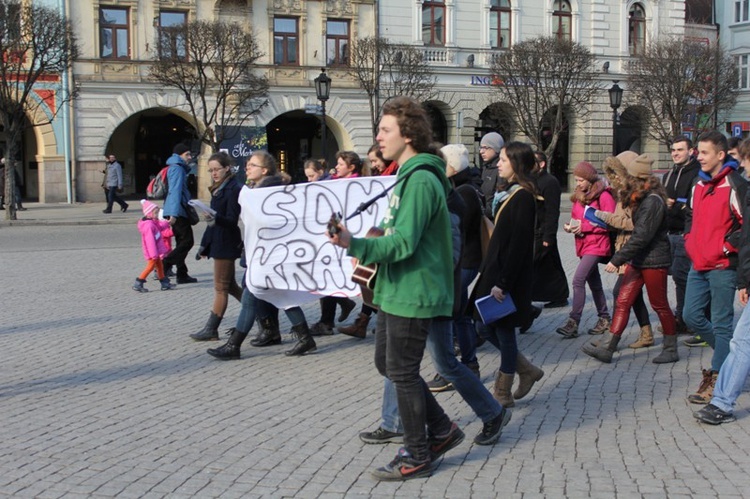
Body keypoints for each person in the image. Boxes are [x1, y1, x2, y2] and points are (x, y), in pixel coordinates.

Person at [328, 96, 463, 481]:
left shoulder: (420, 179)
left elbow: (403, 242)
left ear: (409, 134)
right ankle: (442, 429)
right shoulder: (407, 175)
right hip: (395, 286)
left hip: (413, 289)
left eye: (385, 130)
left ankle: (418, 453)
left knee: (401, 371)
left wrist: (354, 244)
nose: (378, 137)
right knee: (387, 363)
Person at [208, 150, 317, 359]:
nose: (248, 167)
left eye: (253, 165)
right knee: (280, 295)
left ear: (264, 170)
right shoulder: (256, 190)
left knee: (253, 295)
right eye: (248, 164)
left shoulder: (269, 191)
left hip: (270, 255)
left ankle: (234, 345)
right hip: (264, 254)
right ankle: (304, 338)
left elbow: (274, 222)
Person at [581, 154, 678, 364]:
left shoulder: (652, 201)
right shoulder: (642, 198)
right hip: (639, 259)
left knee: (659, 304)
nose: (627, 181)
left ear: (640, 179)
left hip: (654, 261)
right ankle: (608, 347)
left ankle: (671, 348)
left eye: (631, 178)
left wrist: (617, 258)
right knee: (623, 298)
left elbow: (641, 235)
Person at [473, 141, 545, 408]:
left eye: (503, 159)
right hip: (495, 271)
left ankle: (503, 390)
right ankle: (526, 369)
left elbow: (518, 245)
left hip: (506, 276)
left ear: (516, 164)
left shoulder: (524, 197)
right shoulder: (510, 193)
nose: (498, 163)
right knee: (482, 325)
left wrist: (503, 282)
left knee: (501, 329)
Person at [683, 131, 747, 404]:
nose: (699, 156)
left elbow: (746, 227)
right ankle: (733, 354)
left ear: (721, 155)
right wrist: (691, 241)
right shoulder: (698, 183)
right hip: (698, 263)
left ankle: (717, 377)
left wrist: (725, 247)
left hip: (723, 266)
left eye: (705, 152)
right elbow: (691, 216)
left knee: (722, 324)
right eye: (698, 152)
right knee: (691, 316)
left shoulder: (736, 185)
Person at [427, 143, 484, 391]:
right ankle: (468, 365)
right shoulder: (463, 189)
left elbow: (456, 229)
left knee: (451, 317)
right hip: (464, 261)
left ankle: (452, 368)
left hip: (464, 262)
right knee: (459, 316)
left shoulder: (464, 192)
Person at [598, 151, 654, 349]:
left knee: (620, 292)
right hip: (624, 246)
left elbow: (633, 223)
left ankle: (613, 337)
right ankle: (646, 332)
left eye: (617, 173)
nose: (614, 178)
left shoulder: (637, 195)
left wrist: (604, 217)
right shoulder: (623, 192)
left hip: (633, 250)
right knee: (634, 295)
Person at [555, 162, 615, 338]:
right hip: (583, 244)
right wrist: (570, 226)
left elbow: (610, 222)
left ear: (589, 179)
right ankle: (604, 318)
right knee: (594, 283)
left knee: (578, 280)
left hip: (597, 245)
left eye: (581, 180)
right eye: (576, 180)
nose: (578, 183)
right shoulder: (579, 195)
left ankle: (573, 322)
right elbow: (576, 217)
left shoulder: (604, 196)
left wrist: (585, 227)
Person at [190, 152, 244, 341]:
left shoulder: (232, 188)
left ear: (227, 168)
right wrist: (204, 245)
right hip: (219, 239)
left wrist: (214, 216)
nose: (213, 173)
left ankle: (211, 329)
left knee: (221, 287)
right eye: (210, 170)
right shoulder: (220, 187)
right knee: (230, 286)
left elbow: (231, 220)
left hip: (226, 241)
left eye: (216, 169)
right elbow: (215, 222)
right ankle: (259, 314)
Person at [304, 157, 357, 337]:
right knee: (326, 279)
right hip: (329, 239)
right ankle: (341, 307)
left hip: (336, 239)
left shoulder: (332, 186)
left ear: (320, 172)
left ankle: (328, 320)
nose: (309, 180)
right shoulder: (330, 184)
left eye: (312, 176)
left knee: (327, 278)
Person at [662, 136, 701, 337]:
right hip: (668, 233)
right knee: (674, 276)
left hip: (684, 233)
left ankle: (684, 318)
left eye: (679, 150)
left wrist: (675, 205)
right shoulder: (668, 175)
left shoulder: (696, 174)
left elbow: (693, 207)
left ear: (690, 151)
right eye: (673, 150)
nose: (675, 153)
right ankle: (678, 317)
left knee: (681, 277)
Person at [531, 151, 569, 309]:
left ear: (541, 164)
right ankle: (558, 295)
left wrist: (549, 236)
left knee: (542, 263)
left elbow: (552, 211)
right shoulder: (532, 180)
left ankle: (559, 295)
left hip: (543, 232)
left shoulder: (550, 182)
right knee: (550, 264)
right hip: (535, 231)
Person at [162, 144, 198, 284]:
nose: (189, 157)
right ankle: (166, 263)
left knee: (181, 242)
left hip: (176, 209)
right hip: (178, 211)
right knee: (187, 242)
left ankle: (182, 274)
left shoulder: (177, 167)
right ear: (179, 155)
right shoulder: (177, 169)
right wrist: (174, 214)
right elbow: (175, 191)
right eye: (187, 154)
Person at [132, 199, 175, 292]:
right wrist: (154, 254)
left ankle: (164, 283)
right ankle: (139, 282)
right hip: (153, 252)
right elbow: (150, 242)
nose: (157, 215)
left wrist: (167, 223)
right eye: (156, 213)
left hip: (156, 251)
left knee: (160, 266)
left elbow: (159, 226)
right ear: (149, 213)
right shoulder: (149, 226)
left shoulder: (152, 222)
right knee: (150, 267)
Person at [478, 132, 505, 216]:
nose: (481, 151)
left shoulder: (500, 170)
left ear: (496, 149)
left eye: (485, 147)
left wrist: (484, 210)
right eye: (481, 147)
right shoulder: (485, 167)